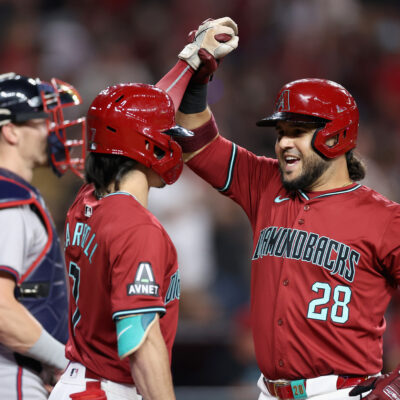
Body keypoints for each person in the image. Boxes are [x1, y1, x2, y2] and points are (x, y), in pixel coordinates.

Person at [165, 18, 400, 400]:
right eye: (280, 133)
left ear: (336, 135)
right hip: (268, 391)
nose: (283, 144)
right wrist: (198, 73)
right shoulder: (264, 182)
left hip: (340, 393)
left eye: (296, 132)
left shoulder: (386, 219)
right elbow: (197, 143)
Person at [48, 82, 196, 400]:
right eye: (168, 136)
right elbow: (138, 339)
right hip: (108, 389)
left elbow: (119, 120)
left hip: (79, 382)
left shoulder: (86, 201)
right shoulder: (138, 228)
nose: (173, 145)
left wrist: (189, 65)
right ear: (149, 145)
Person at [0, 72, 85, 399]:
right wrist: (63, 360)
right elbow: (3, 311)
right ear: (10, 131)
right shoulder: (10, 203)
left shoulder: (15, 196)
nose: (51, 129)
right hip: (12, 378)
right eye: (40, 122)